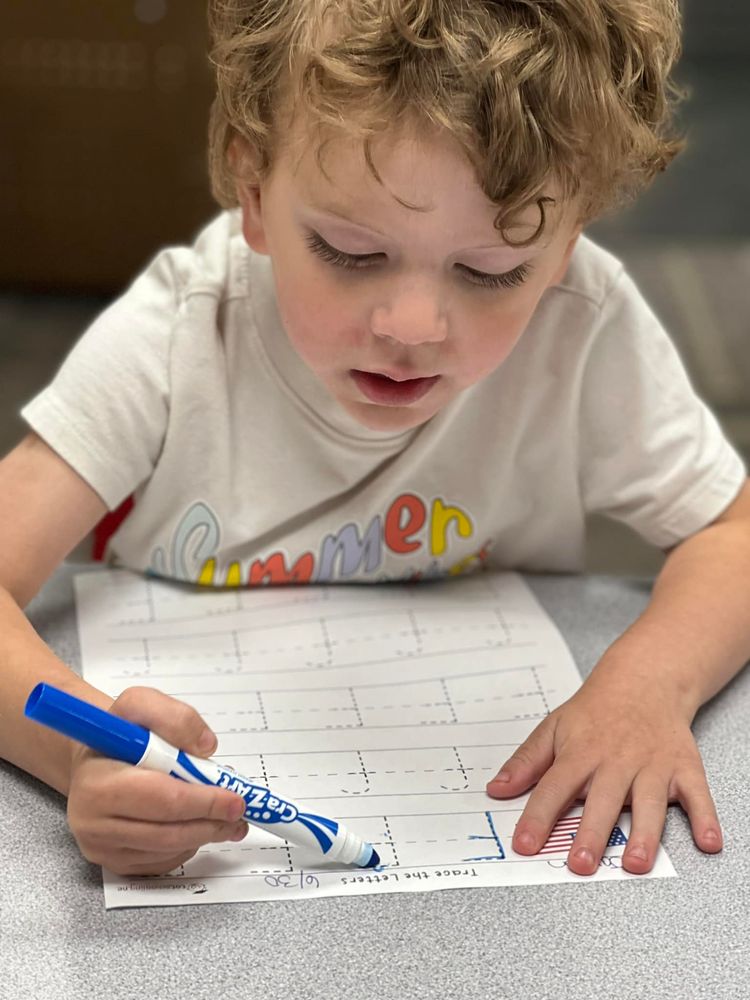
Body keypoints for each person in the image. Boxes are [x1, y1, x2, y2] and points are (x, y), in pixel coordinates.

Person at [1, 0, 748, 880]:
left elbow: (730, 533)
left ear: (567, 239)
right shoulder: (182, 334)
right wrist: (79, 753)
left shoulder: (584, 327)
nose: (412, 324)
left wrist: (647, 686)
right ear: (252, 193)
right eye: (352, 252)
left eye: (491, 270)